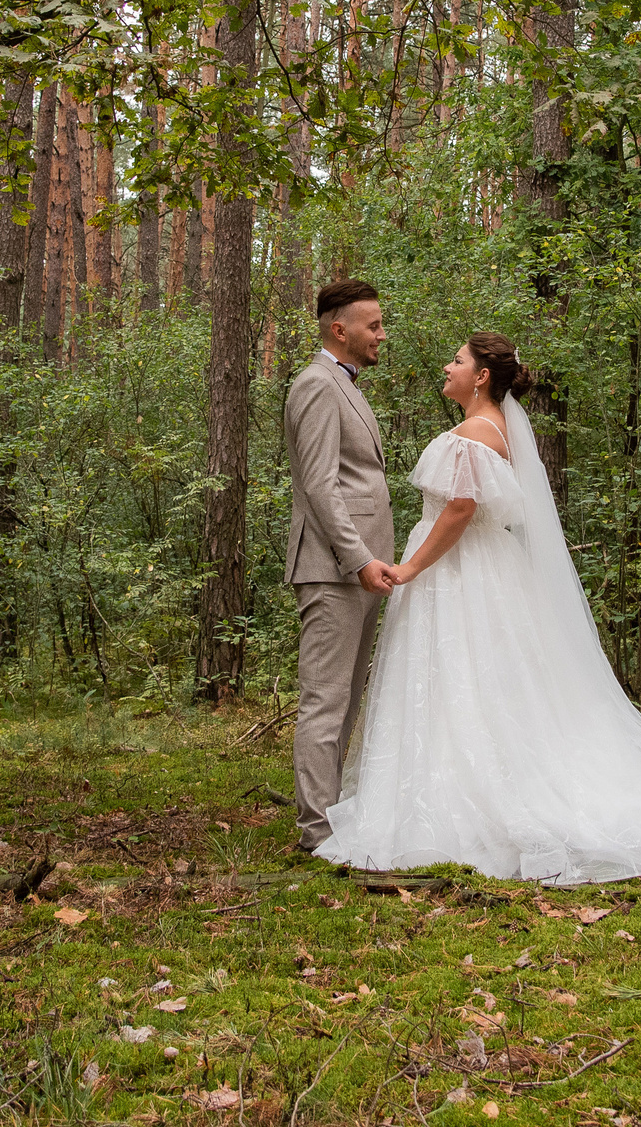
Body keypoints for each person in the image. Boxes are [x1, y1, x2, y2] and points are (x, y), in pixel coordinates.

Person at [316, 331, 641, 884]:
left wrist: (413, 567)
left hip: (458, 571)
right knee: (486, 682)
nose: (449, 366)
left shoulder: (473, 433)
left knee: (459, 678)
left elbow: (461, 508)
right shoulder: (499, 430)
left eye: (458, 360)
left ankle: (464, 799)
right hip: (490, 570)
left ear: (482, 376)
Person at [283, 279, 396, 854]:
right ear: (339, 329)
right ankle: (316, 833)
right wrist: (358, 561)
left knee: (347, 697)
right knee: (326, 700)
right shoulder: (317, 385)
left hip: (358, 568)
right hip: (334, 569)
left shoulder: (344, 385)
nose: (381, 334)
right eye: (373, 325)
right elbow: (322, 488)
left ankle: (331, 820)